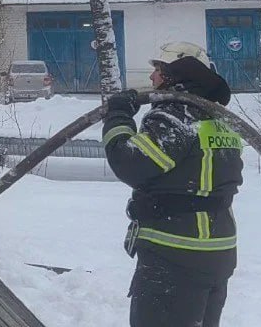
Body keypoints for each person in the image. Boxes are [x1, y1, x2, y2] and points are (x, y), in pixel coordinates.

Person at [102, 42, 244, 327]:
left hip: (177, 256)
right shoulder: (217, 119)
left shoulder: (174, 118)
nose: (152, 77)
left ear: (174, 75)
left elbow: (129, 163)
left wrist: (118, 116)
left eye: (158, 70)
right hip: (215, 252)